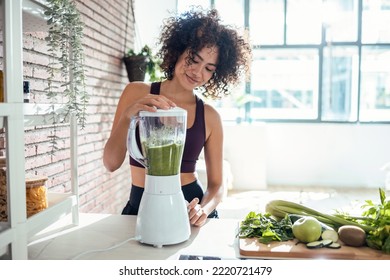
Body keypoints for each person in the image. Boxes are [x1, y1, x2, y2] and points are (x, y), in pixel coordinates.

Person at [103, 7, 251, 227]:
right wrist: (128, 116)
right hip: (140, 205)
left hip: (190, 210)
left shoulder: (210, 117)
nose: (198, 72)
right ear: (178, 51)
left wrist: (204, 208)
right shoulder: (136, 93)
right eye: (194, 59)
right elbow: (111, 163)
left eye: (209, 68)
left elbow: (217, 185)